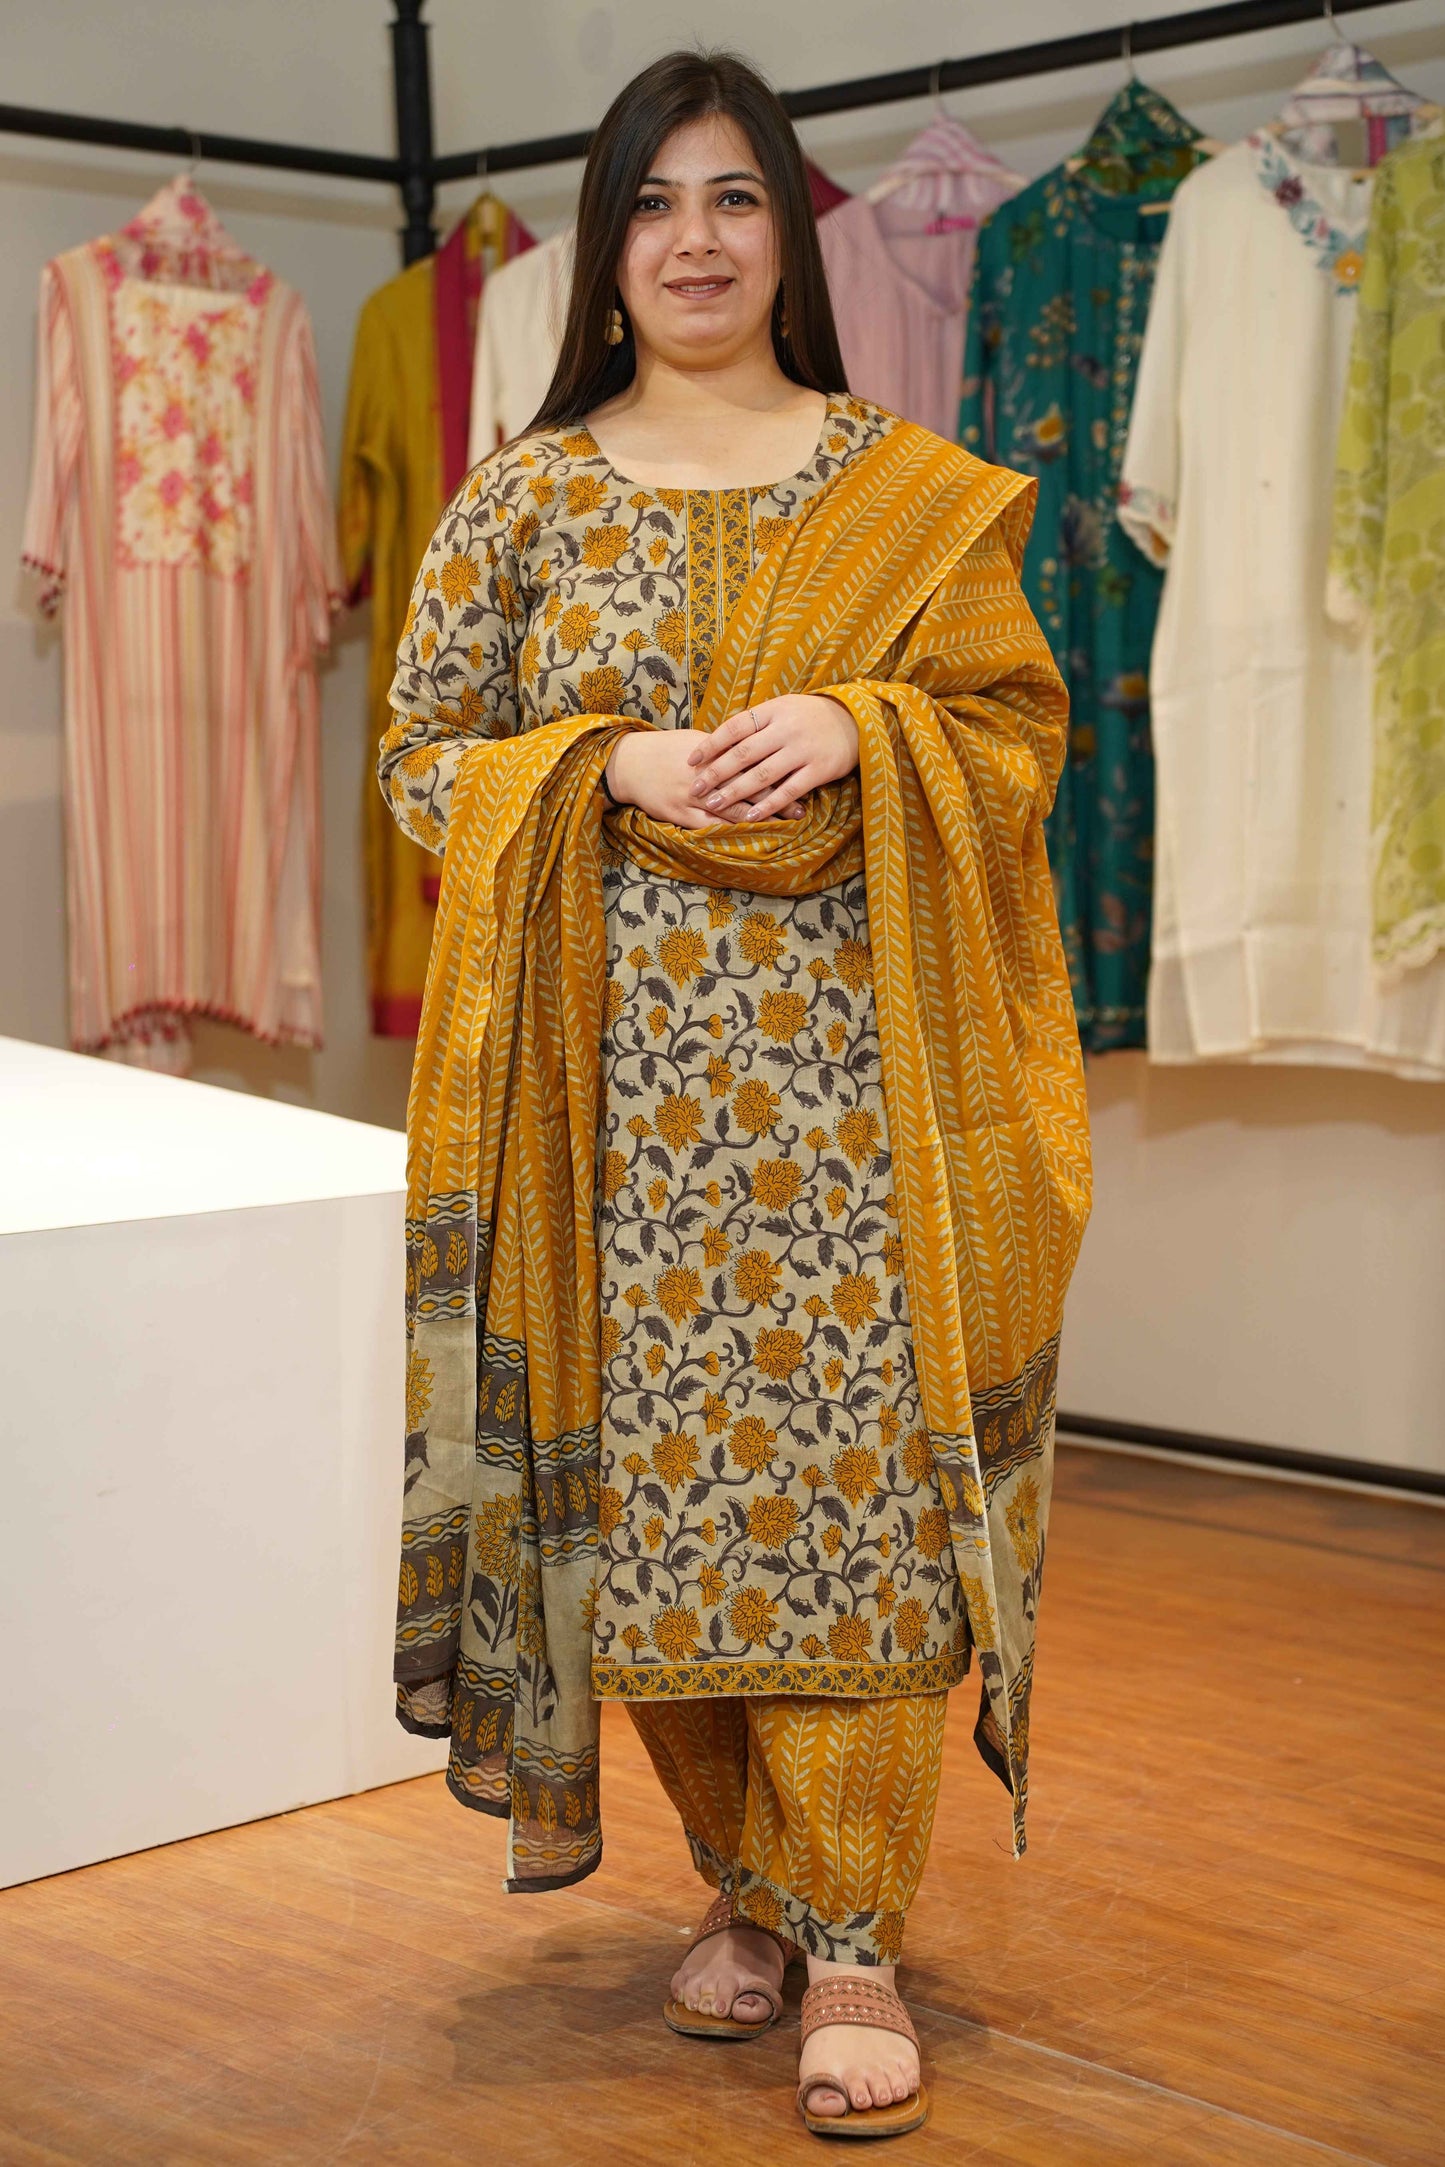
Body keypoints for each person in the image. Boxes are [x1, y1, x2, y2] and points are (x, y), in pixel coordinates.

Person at [380, 47, 1090, 2141]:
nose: (692, 242)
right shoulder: (523, 497)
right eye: (652, 203)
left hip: (861, 1103)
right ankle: (746, 1886)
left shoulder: (906, 491)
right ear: (604, 249)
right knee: (662, 1507)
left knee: (852, 1498)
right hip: (607, 1113)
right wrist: (603, 762)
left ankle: (854, 1930)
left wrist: (871, 727)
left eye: (735, 199)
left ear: (791, 233)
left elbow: (1017, 732)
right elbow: (421, 760)